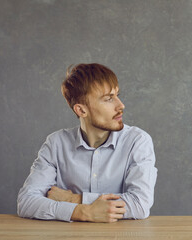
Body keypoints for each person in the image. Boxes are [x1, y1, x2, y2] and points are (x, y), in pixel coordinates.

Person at [17, 63, 157, 223]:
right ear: (81, 110)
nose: (121, 105)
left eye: (117, 95)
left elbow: (140, 204)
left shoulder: (137, 141)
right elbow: (26, 202)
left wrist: (74, 199)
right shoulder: (56, 144)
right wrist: (82, 212)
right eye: (108, 99)